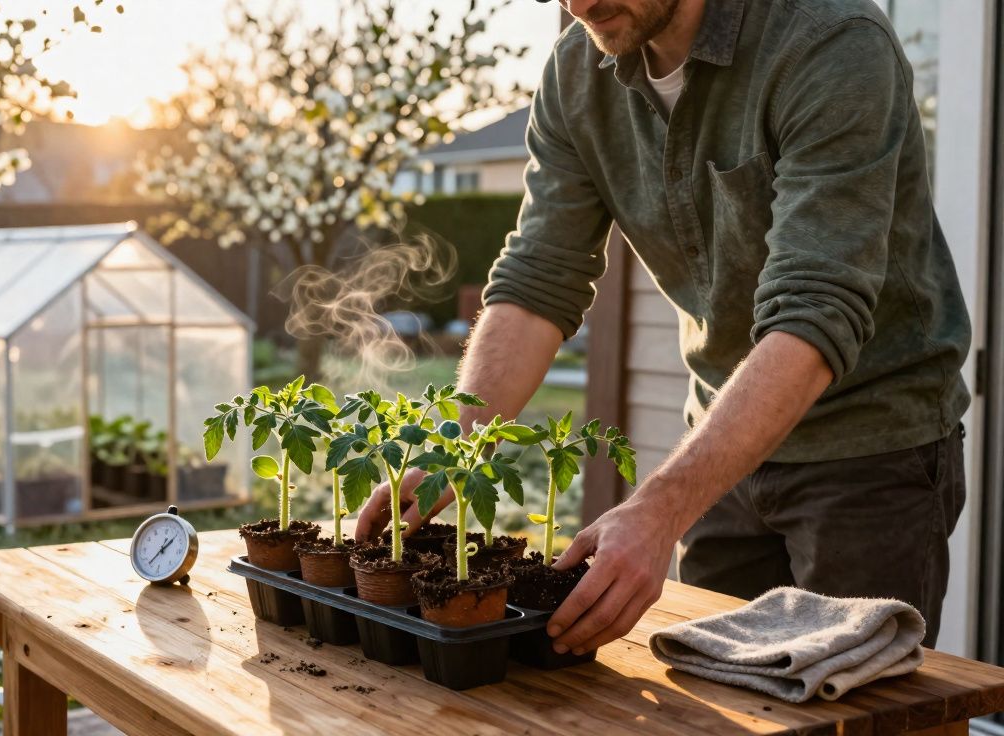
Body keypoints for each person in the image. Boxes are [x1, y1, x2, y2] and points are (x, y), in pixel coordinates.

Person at [355, 0, 970, 652]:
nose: (578, 5)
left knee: (855, 712)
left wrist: (659, 510)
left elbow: (816, 309)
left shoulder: (829, 42)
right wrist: (459, 444)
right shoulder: (576, 74)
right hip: (723, 448)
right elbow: (539, 277)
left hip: (868, 455)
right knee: (721, 704)